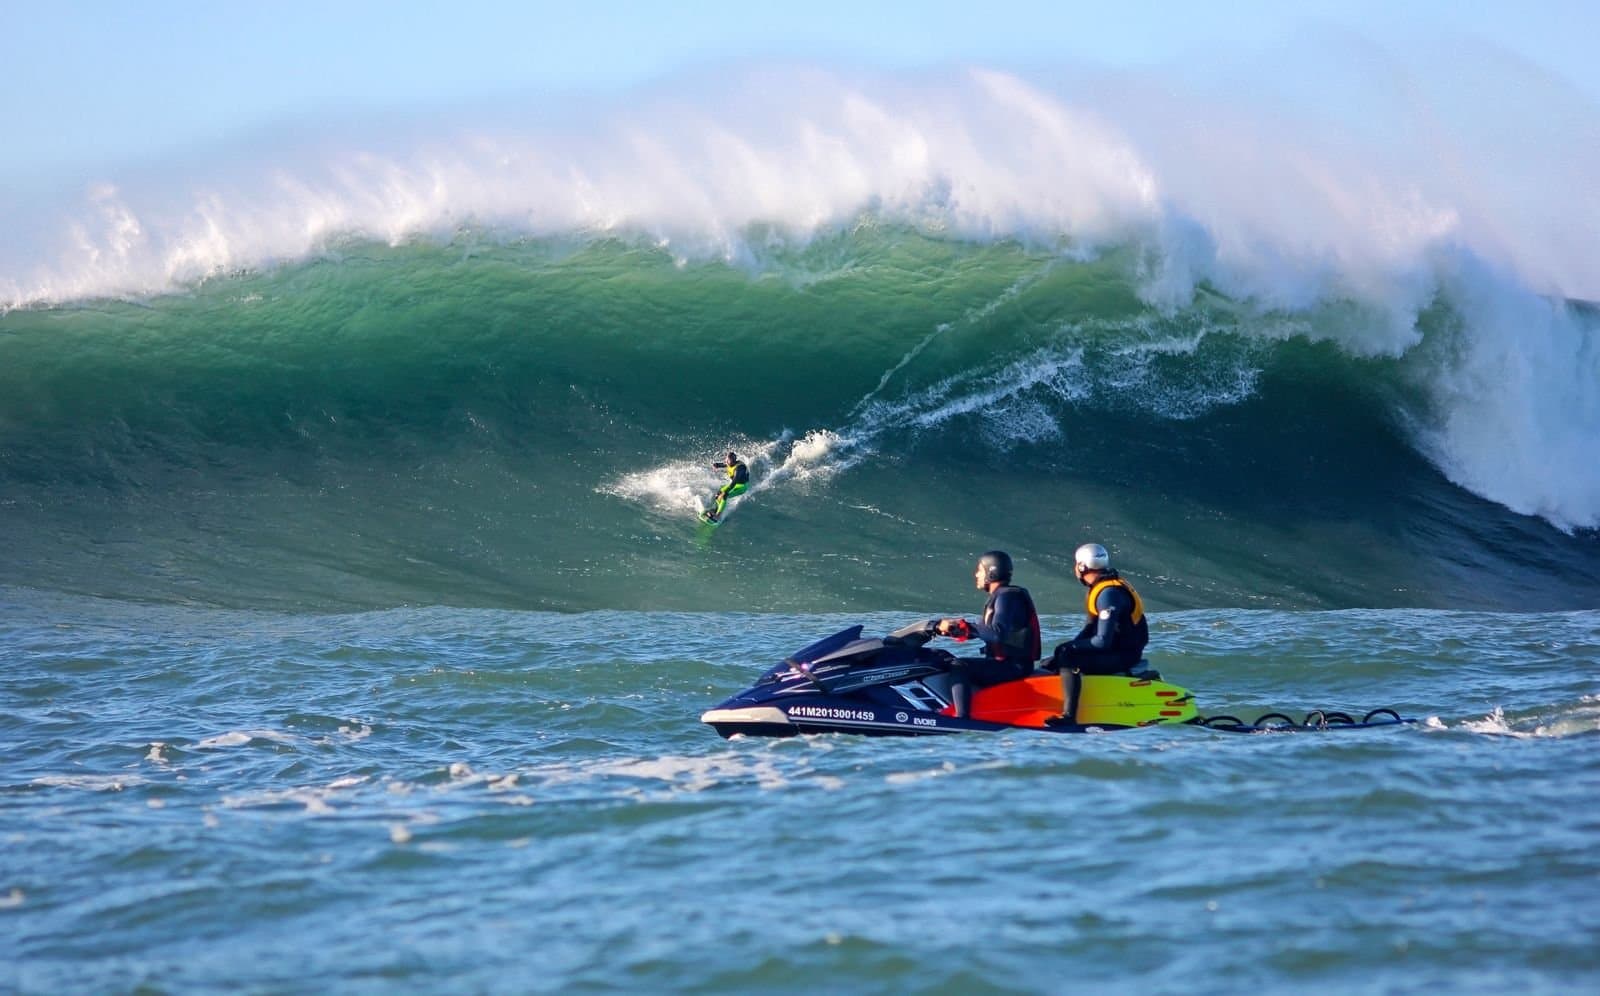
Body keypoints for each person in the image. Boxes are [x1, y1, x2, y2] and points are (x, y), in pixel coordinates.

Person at [1045, 543, 1150, 723]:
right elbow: (1088, 631)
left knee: (1067, 658)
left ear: (1082, 566)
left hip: (1124, 655)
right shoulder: (1101, 588)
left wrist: (1067, 650)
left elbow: (1102, 641)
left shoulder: (1108, 594)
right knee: (1056, 659)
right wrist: (1064, 651)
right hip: (1116, 650)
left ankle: (1069, 716)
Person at [934, 550, 1041, 719]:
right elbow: (985, 631)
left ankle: (962, 718)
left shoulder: (1007, 597)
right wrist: (952, 630)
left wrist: (967, 627)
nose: (976, 574)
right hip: (1004, 663)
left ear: (991, 572)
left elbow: (997, 633)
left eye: (980, 570)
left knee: (958, 665)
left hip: (1014, 667)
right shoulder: (1000, 597)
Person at [705, 451, 749, 522]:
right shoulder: (729, 463)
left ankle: (718, 516)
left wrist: (725, 492)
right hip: (734, 484)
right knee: (718, 493)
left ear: (733, 461)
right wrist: (717, 465)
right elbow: (725, 464)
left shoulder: (739, 469)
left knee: (725, 494)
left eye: (729, 460)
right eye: (727, 459)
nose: (727, 461)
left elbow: (734, 482)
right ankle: (716, 510)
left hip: (742, 487)